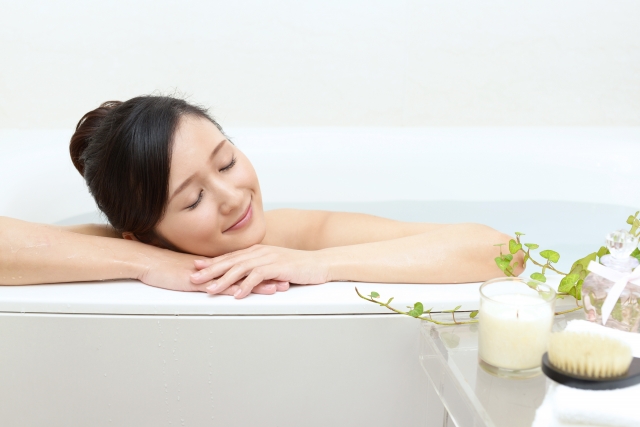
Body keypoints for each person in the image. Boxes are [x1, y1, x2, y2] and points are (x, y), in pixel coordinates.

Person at [0, 96, 523, 298]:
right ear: (141, 230)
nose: (233, 196)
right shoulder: (124, 244)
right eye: (192, 200)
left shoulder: (290, 234)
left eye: (226, 161)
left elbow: (501, 250)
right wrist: (145, 262)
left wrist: (316, 263)